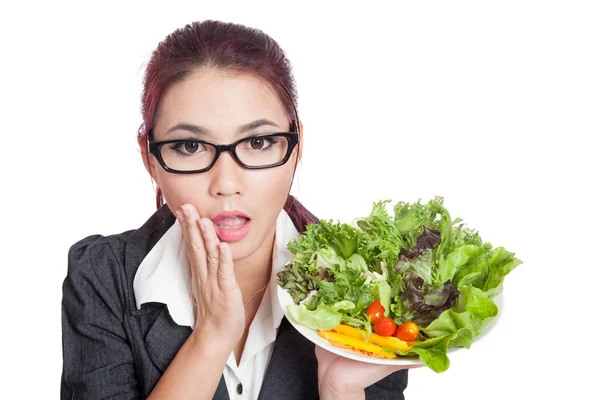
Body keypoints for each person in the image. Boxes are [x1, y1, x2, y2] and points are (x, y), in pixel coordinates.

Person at [61, 19, 416, 399]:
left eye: (259, 142)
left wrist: (338, 388)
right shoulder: (103, 277)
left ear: (296, 148)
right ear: (151, 159)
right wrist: (211, 340)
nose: (226, 183)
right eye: (190, 147)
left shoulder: (370, 282)